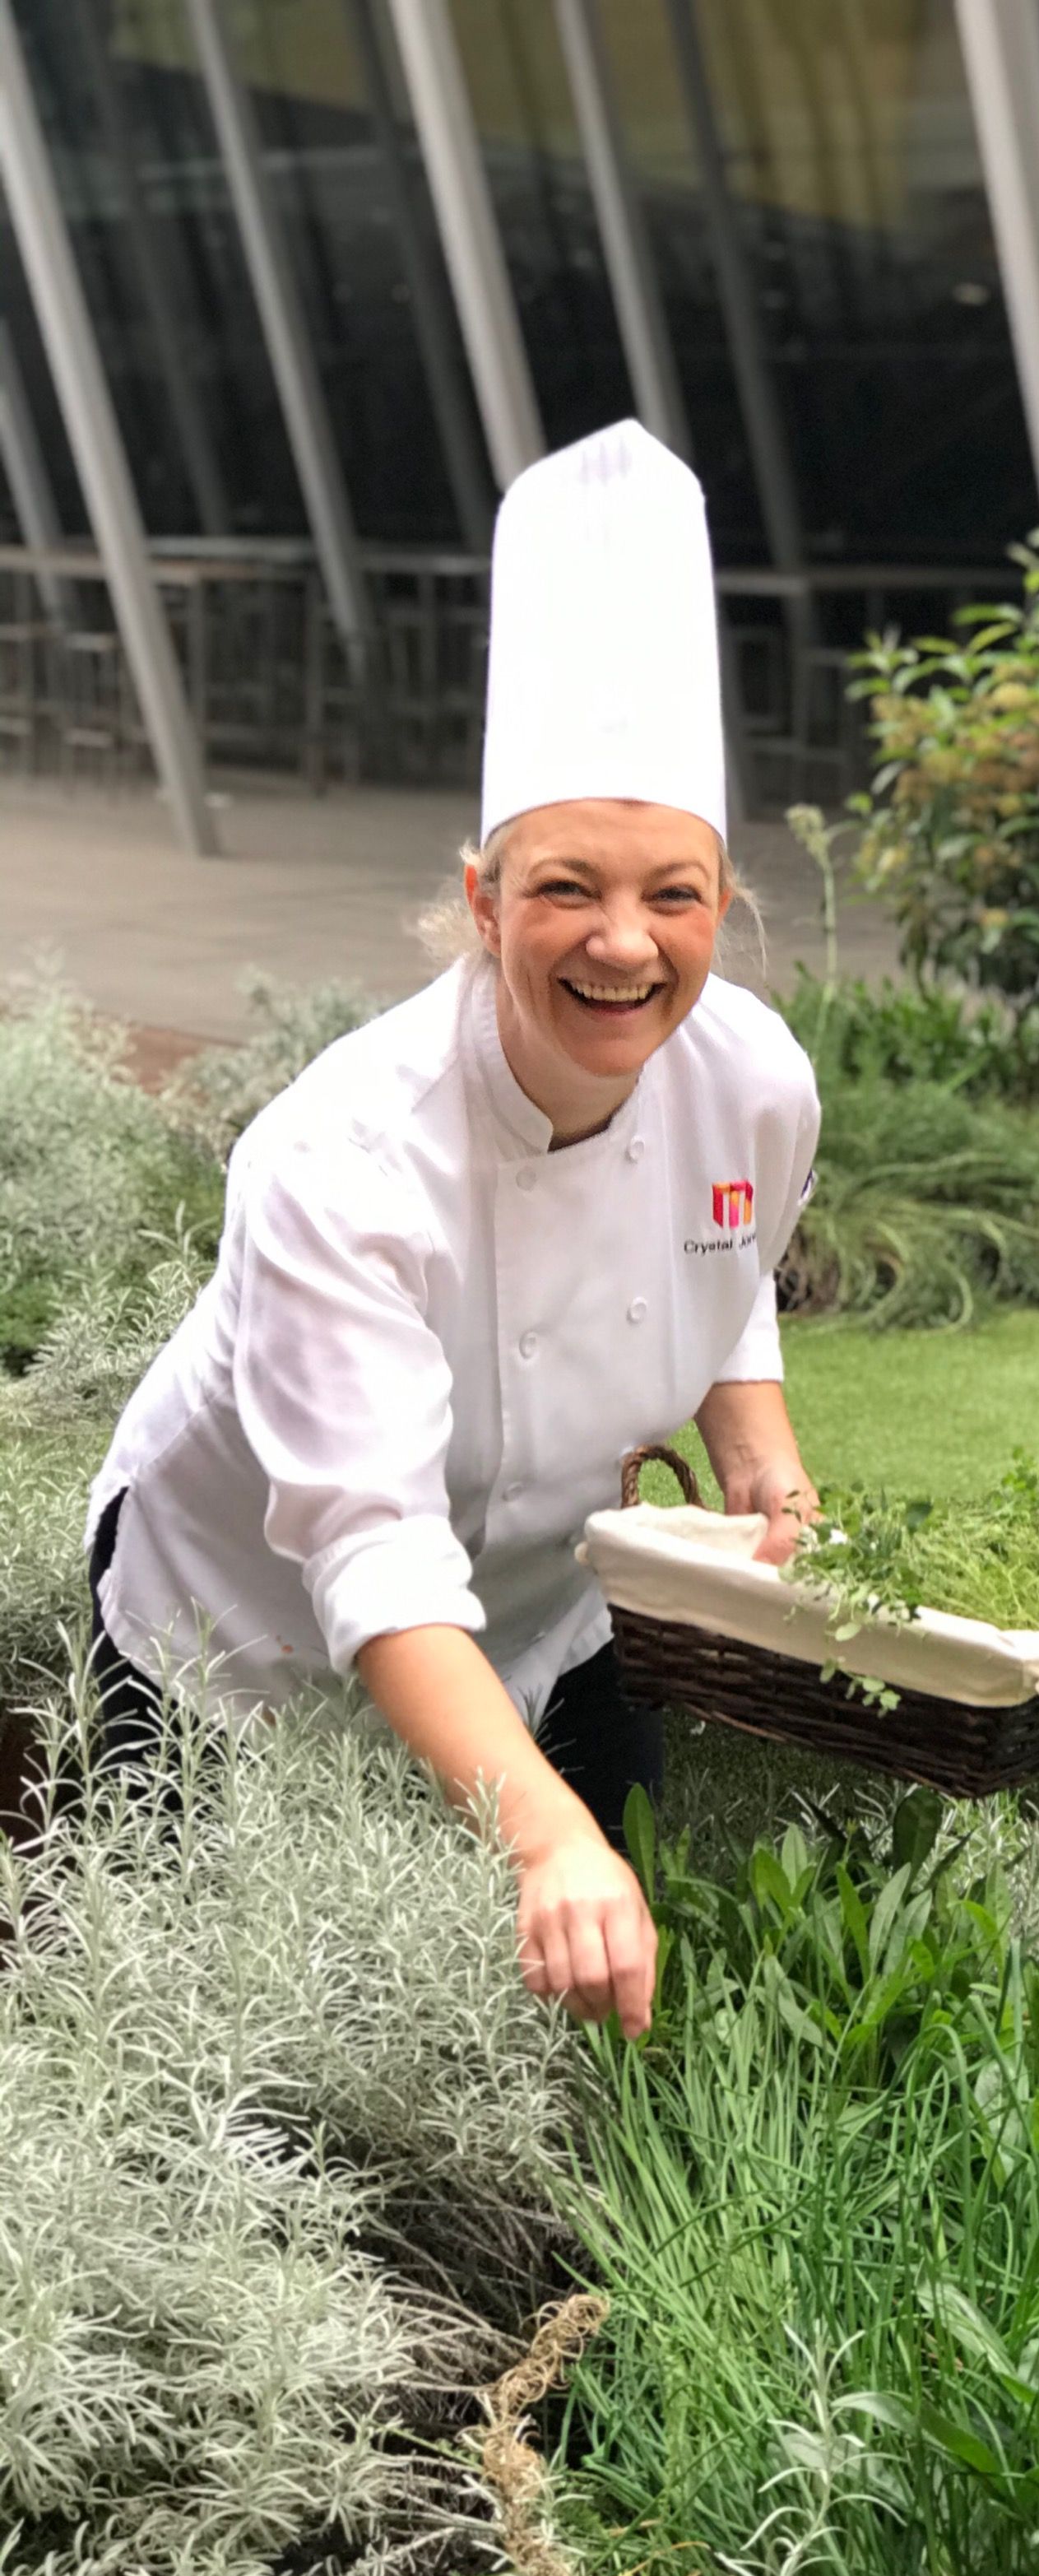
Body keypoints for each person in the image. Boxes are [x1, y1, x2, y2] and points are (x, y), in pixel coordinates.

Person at [86, 422, 820, 2044]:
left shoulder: (757, 1082)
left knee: (613, 2004)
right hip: (240, 1639)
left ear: (721, 902)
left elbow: (729, 1256)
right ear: (482, 899)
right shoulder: (341, 1153)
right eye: (569, 888)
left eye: (674, 893)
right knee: (215, 2049)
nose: (626, 944)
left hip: (548, 1605)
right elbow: (369, 1550)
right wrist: (539, 1834)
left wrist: (752, 1433)